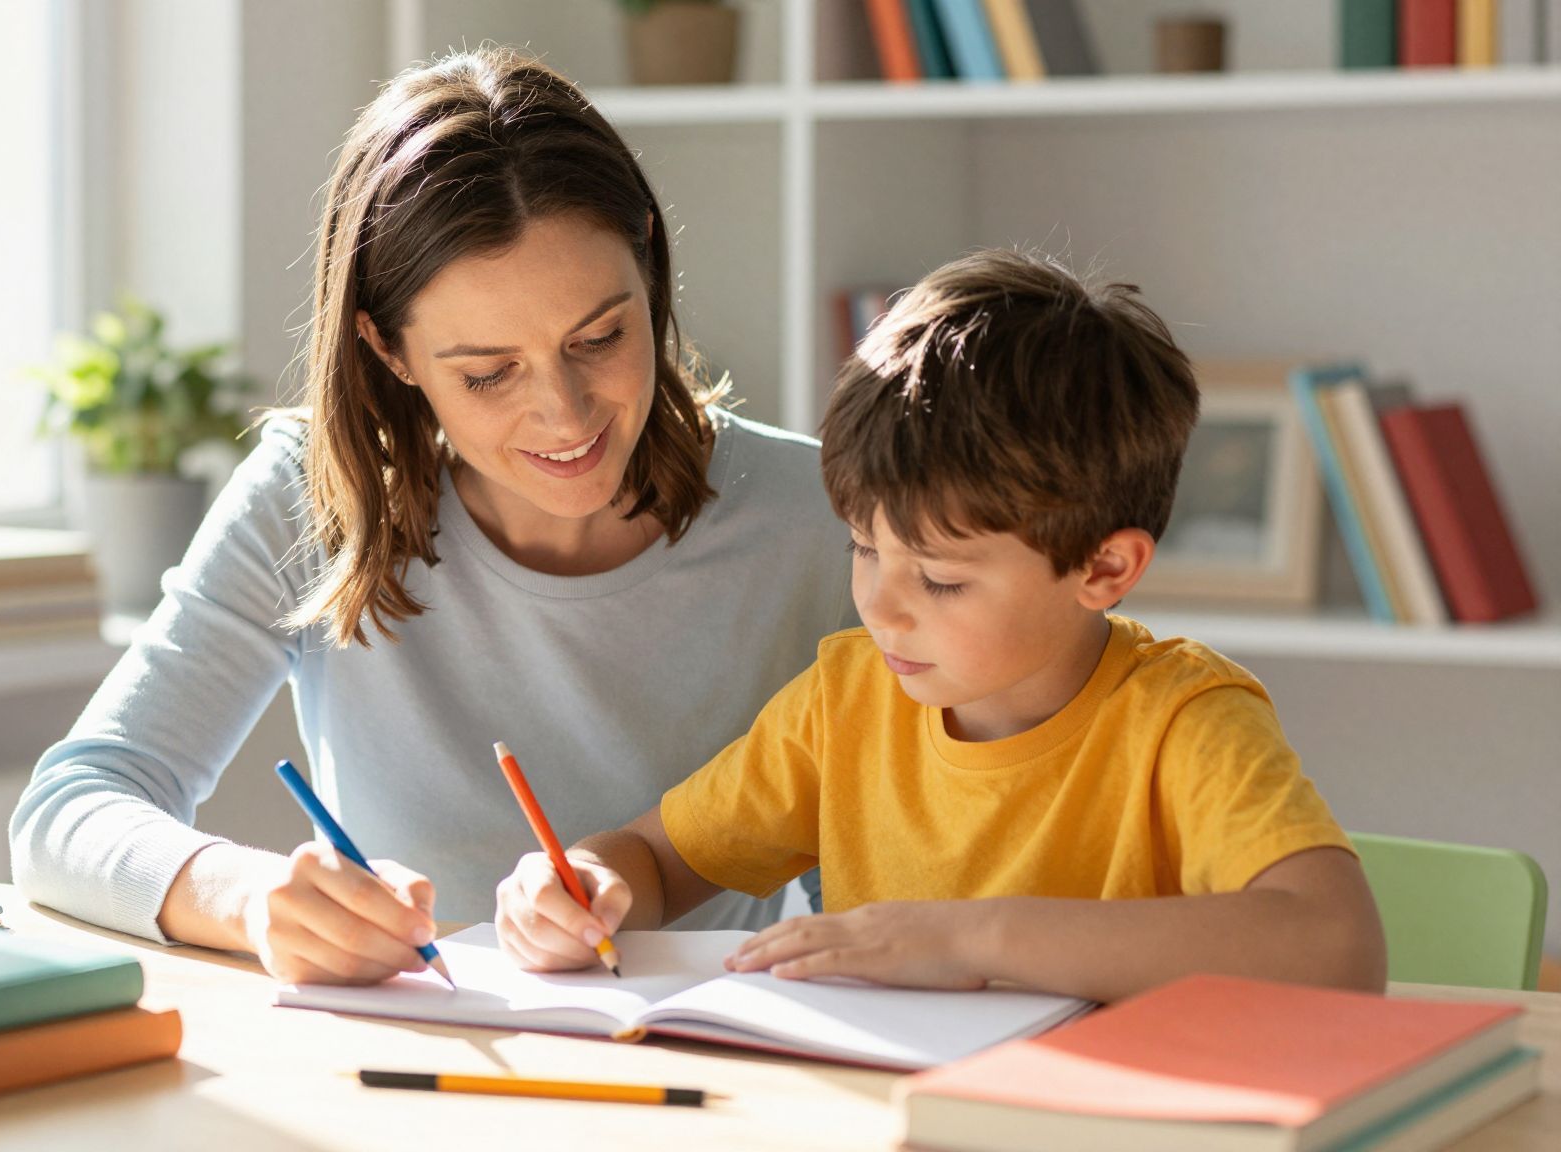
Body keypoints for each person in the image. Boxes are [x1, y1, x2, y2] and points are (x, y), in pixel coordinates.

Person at [9, 47, 856, 986]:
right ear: (388, 349)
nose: (565, 414)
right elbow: (68, 810)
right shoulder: (316, 495)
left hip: (697, 1054)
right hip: (410, 1054)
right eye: (489, 373)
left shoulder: (820, 516)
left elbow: (878, 888)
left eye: (600, 337)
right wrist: (251, 899)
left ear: (649, 268)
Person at [493, 249, 1388, 1004]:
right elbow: (654, 860)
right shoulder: (845, 703)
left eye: (943, 579)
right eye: (864, 548)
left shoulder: (1184, 720)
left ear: (1104, 569)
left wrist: (974, 939)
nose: (880, 606)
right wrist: (584, 882)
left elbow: (1338, 947)